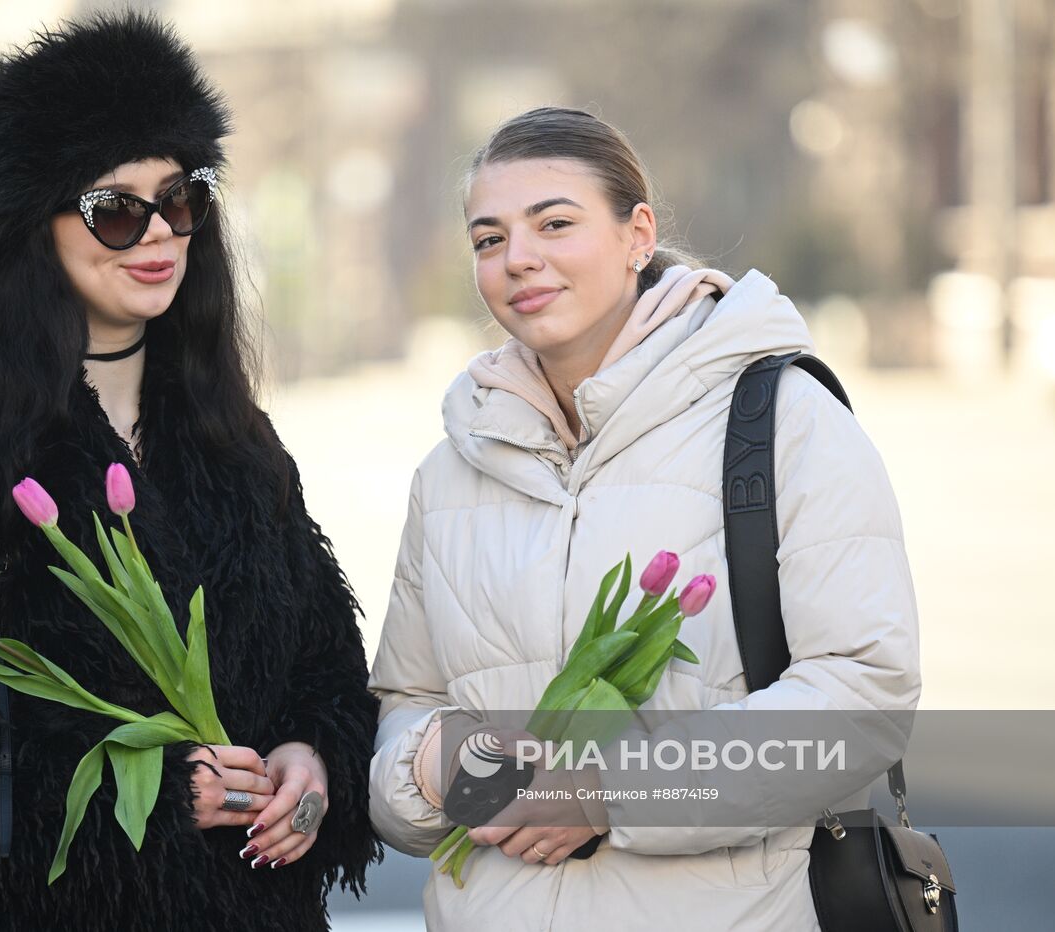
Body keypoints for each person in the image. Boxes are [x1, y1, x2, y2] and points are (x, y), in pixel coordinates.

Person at [0, 13, 380, 930]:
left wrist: (310, 769)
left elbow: (326, 673)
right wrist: (157, 802)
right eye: (115, 208)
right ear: (34, 235)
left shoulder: (239, 445)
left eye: (181, 198)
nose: (159, 233)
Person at [368, 106, 921, 929]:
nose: (519, 259)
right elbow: (406, 705)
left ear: (639, 234)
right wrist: (430, 763)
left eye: (554, 223)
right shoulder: (453, 470)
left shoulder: (780, 421)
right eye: (489, 239)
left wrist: (604, 795)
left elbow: (862, 698)